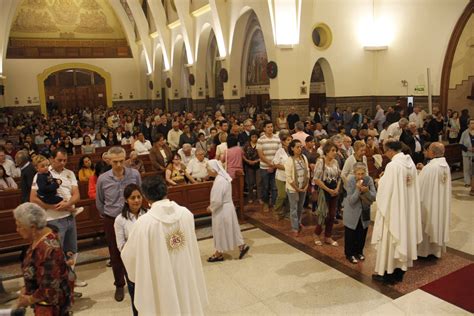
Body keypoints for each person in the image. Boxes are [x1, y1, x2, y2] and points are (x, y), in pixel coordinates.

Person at [121, 176, 208, 315]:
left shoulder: (144, 224)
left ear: (145, 196)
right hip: (185, 274)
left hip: (162, 280)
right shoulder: (186, 214)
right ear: (166, 191)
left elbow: (129, 256)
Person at [371, 141, 422, 284]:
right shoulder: (410, 164)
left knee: (390, 241)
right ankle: (399, 273)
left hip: (393, 211)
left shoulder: (393, 166)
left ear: (390, 151)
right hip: (406, 210)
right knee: (403, 237)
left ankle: (387, 274)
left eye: (385, 152)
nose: (385, 154)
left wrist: (379, 180)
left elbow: (386, 190)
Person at [96, 146, 142, 302]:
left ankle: (139, 281)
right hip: (112, 218)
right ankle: (120, 284)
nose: (118, 165)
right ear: (109, 160)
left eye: (122, 161)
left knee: (138, 250)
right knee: (116, 254)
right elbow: (100, 202)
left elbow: (139, 192)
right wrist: (110, 215)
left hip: (132, 216)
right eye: (115, 162)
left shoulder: (134, 174)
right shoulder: (103, 179)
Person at [14, 203, 74, 315]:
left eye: (20, 226)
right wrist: (25, 288)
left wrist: (28, 300)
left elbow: (49, 288)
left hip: (51, 308)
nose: (17, 230)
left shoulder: (48, 249)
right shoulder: (38, 239)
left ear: (32, 227)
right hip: (42, 304)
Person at [206, 160, 250, 262]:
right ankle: (241, 246)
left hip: (221, 209)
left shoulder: (219, 181)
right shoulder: (223, 177)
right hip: (227, 207)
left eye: (207, 168)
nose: (206, 170)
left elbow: (217, 200)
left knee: (220, 230)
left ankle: (218, 254)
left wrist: (211, 207)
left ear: (214, 169)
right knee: (231, 228)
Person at [114, 184, 147, 316]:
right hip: (132, 262)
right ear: (126, 200)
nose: (137, 200)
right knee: (136, 296)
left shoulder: (148, 215)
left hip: (149, 259)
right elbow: (120, 245)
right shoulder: (120, 220)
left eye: (139, 197)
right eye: (133, 197)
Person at [417, 142, 451, 258]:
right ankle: (435, 251)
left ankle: (424, 252)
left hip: (429, 204)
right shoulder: (445, 166)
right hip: (440, 204)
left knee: (427, 223)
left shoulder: (431, 167)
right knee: (438, 222)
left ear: (432, 152)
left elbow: (419, 186)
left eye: (428, 150)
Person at [343, 163, 376, 264]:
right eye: (358, 174)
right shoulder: (351, 181)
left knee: (362, 233)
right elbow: (351, 200)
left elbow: (374, 197)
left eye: (363, 173)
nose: (361, 176)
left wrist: (366, 191)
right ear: (354, 173)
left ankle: (359, 252)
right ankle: (350, 254)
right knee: (351, 234)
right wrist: (357, 189)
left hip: (364, 211)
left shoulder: (369, 180)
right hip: (352, 212)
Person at [312, 141, 342, 246]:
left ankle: (328, 236)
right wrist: (328, 190)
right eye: (332, 151)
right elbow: (316, 179)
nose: (334, 153)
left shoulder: (335, 162)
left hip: (334, 190)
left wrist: (337, 189)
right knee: (324, 214)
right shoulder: (321, 162)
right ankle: (316, 234)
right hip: (324, 190)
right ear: (326, 151)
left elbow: (339, 177)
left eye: (335, 151)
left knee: (332, 215)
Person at [285, 140, 310, 236]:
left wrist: (306, 185)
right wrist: (297, 188)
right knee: (294, 208)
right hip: (293, 188)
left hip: (302, 187)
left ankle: (299, 222)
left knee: (300, 207)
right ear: (292, 148)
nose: (300, 149)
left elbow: (307, 171)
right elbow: (288, 178)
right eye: (297, 147)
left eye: (300, 147)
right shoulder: (289, 160)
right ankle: (294, 227)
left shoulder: (304, 157)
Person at [257, 120, 281, 212]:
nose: (270, 128)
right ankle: (266, 203)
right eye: (268, 127)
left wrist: (274, 165)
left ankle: (274, 203)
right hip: (264, 167)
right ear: (264, 129)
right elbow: (260, 155)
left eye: (271, 126)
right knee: (265, 186)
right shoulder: (261, 140)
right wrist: (270, 164)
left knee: (275, 187)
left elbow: (279, 154)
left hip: (275, 166)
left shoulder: (277, 138)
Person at [272, 130, 292, 220]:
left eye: (291, 140)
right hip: (280, 177)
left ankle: (287, 211)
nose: (290, 142)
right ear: (283, 142)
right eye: (288, 140)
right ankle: (276, 210)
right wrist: (286, 168)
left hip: (290, 177)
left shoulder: (293, 151)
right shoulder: (280, 151)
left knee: (289, 195)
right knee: (282, 195)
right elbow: (275, 164)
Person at [242, 130, 260, 203]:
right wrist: (247, 161)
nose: (254, 138)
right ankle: (250, 197)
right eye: (253, 137)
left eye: (256, 137)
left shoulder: (259, 144)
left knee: (259, 183)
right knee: (250, 183)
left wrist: (257, 161)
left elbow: (262, 154)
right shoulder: (247, 144)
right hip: (248, 165)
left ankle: (259, 197)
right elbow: (242, 154)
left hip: (258, 165)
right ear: (250, 137)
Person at [459, 119, 474, 187]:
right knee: (467, 168)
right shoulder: (464, 133)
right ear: (468, 124)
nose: (473, 124)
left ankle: (472, 182)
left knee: (472, 169)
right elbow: (461, 144)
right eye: (471, 123)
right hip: (466, 154)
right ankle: (467, 182)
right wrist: (468, 148)